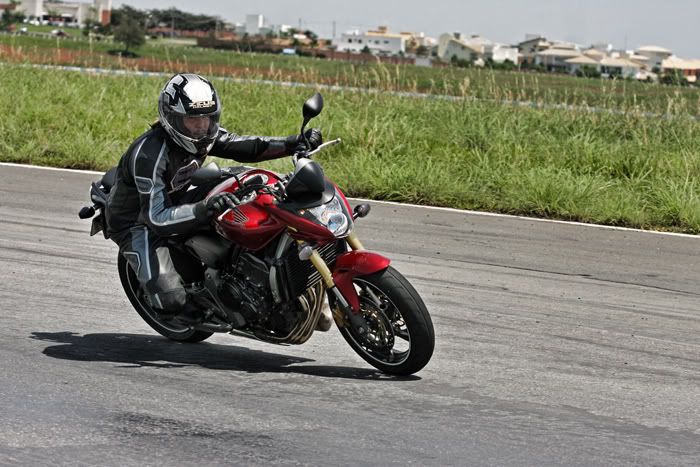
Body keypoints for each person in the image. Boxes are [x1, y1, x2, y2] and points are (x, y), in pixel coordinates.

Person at [105, 73, 322, 323]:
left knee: (249, 185)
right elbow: (156, 217)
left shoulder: (204, 135)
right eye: (192, 120)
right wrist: (204, 209)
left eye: (206, 118)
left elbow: (245, 146)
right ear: (172, 118)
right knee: (172, 302)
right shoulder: (150, 155)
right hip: (138, 221)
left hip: (178, 197)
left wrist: (293, 143)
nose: (201, 127)